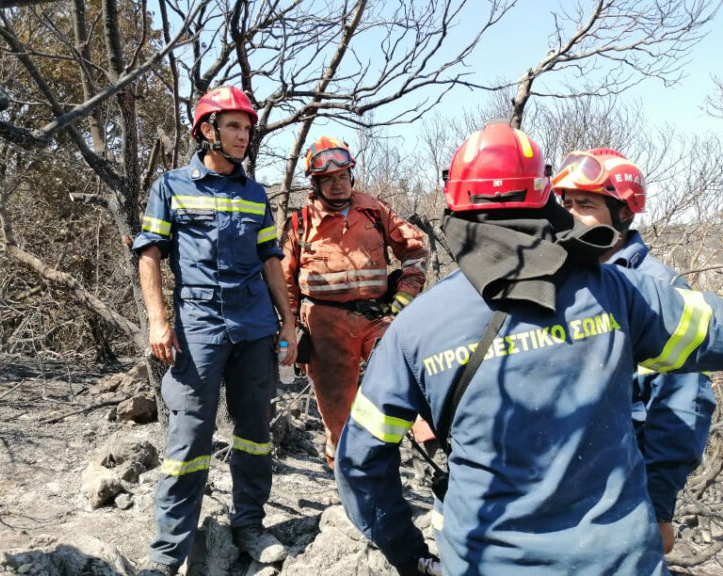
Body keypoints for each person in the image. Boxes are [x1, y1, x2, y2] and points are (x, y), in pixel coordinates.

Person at [335, 121, 723, 576]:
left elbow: (361, 463)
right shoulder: (619, 294)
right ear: (544, 197)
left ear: (452, 204)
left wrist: (407, 554)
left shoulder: (415, 328)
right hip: (617, 561)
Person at [133, 86, 296, 576]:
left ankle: (249, 526)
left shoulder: (255, 193)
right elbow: (149, 253)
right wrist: (158, 320)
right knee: (188, 437)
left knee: (254, 433)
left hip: (254, 327)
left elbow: (271, 261)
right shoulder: (171, 186)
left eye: (247, 128)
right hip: (198, 328)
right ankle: (167, 554)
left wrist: (289, 322)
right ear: (207, 131)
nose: (244, 136)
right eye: (233, 127)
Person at [552, 148, 716, 554]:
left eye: (586, 205)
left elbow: (682, 407)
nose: (571, 215)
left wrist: (658, 508)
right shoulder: (559, 276)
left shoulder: (658, 290)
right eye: (566, 204)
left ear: (624, 213)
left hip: (624, 491)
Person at [280, 136, 429, 468]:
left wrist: (404, 299)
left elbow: (415, 249)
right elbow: (284, 280)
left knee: (411, 377)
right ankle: (345, 473)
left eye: (343, 176)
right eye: (328, 179)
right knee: (338, 415)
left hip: (377, 317)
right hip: (325, 327)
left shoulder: (374, 210)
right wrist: (288, 328)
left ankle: (431, 452)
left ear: (352, 176)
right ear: (315, 184)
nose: (337, 184)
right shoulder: (301, 223)